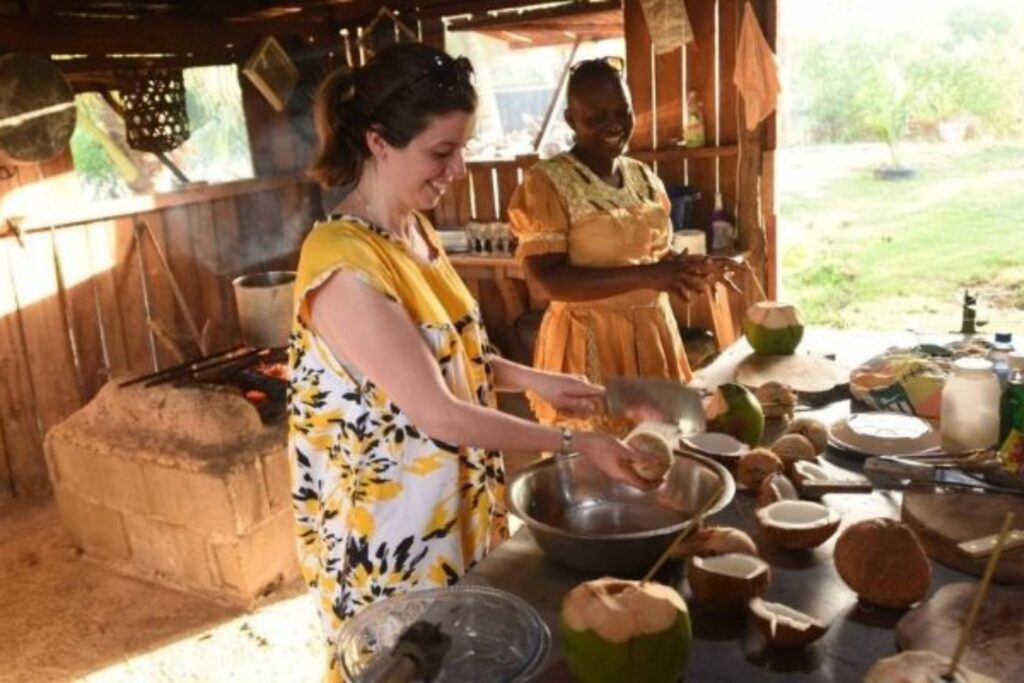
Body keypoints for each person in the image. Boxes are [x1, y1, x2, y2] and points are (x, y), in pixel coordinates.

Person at [289, 43, 660, 680]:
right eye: (441, 152)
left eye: (461, 148)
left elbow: (454, 354)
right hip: (392, 532)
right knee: (413, 665)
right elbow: (438, 410)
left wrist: (539, 379)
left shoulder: (412, 232)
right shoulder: (341, 266)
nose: (457, 169)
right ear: (378, 142)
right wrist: (574, 442)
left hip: (454, 505)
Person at [508, 57, 737, 430]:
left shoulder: (643, 177)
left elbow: (653, 257)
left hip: (652, 335)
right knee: (595, 457)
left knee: (655, 446)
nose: (613, 125)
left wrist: (688, 270)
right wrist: (651, 275)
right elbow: (544, 282)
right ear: (571, 119)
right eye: (596, 116)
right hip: (588, 343)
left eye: (622, 112)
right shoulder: (547, 183)